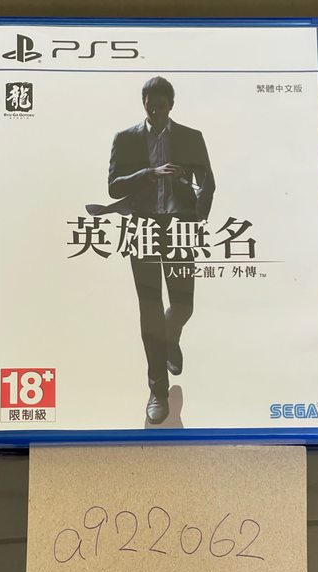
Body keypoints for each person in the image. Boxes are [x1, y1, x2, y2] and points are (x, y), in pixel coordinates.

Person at [108, 76, 215, 423]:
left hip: (180, 227)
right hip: (143, 229)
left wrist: (198, 215)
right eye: (150, 105)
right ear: (144, 104)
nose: (155, 110)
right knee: (150, 309)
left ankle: (169, 337)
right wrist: (150, 173)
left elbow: (208, 183)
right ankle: (157, 390)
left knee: (184, 304)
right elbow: (113, 187)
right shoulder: (126, 139)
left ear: (172, 104)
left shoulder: (191, 137)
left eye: (161, 105)